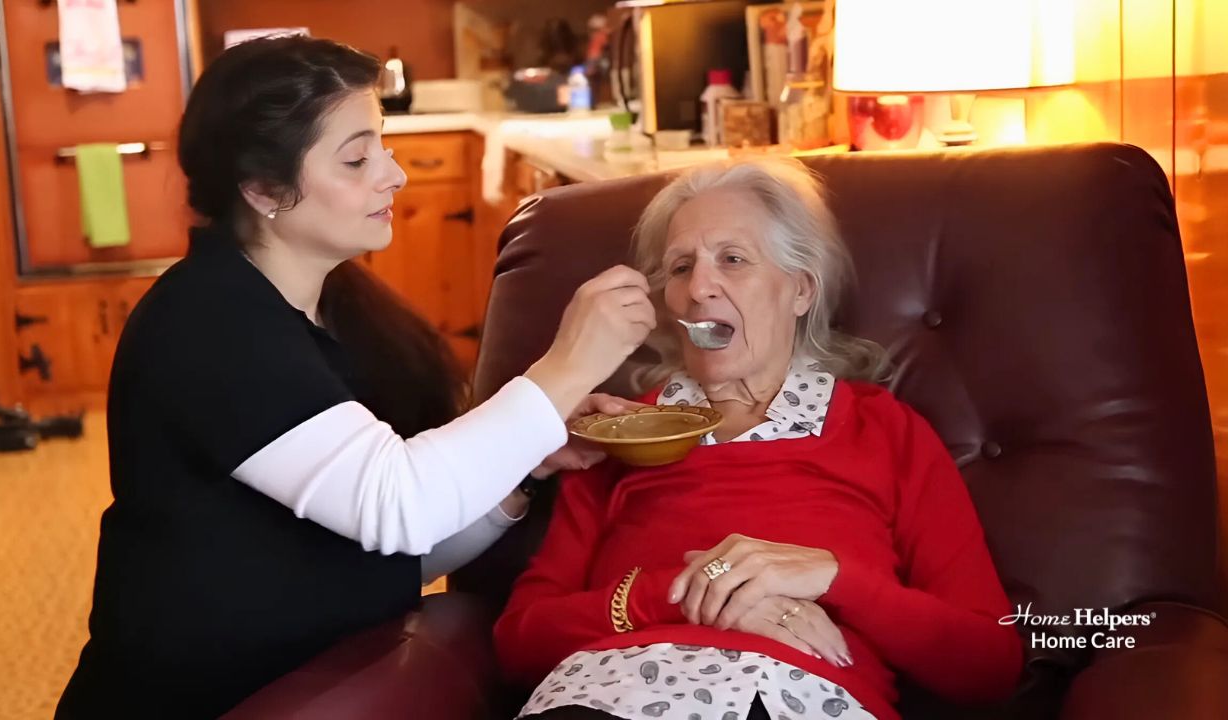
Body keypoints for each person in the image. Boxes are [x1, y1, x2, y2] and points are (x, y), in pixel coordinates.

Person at [56, 36, 655, 719]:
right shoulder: (210, 324)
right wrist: (565, 370)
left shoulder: (333, 314)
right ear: (262, 190)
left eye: (384, 146)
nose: (393, 175)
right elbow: (399, 505)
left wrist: (523, 470)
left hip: (317, 678)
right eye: (356, 157)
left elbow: (384, 558)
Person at [494, 158, 1023, 720]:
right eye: (679, 268)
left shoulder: (883, 431)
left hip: (794, 698)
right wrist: (686, 593)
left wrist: (833, 577)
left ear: (801, 289)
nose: (698, 288)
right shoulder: (620, 433)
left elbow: (988, 664)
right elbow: (519, 643)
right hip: (604, 697)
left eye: (733, 260)